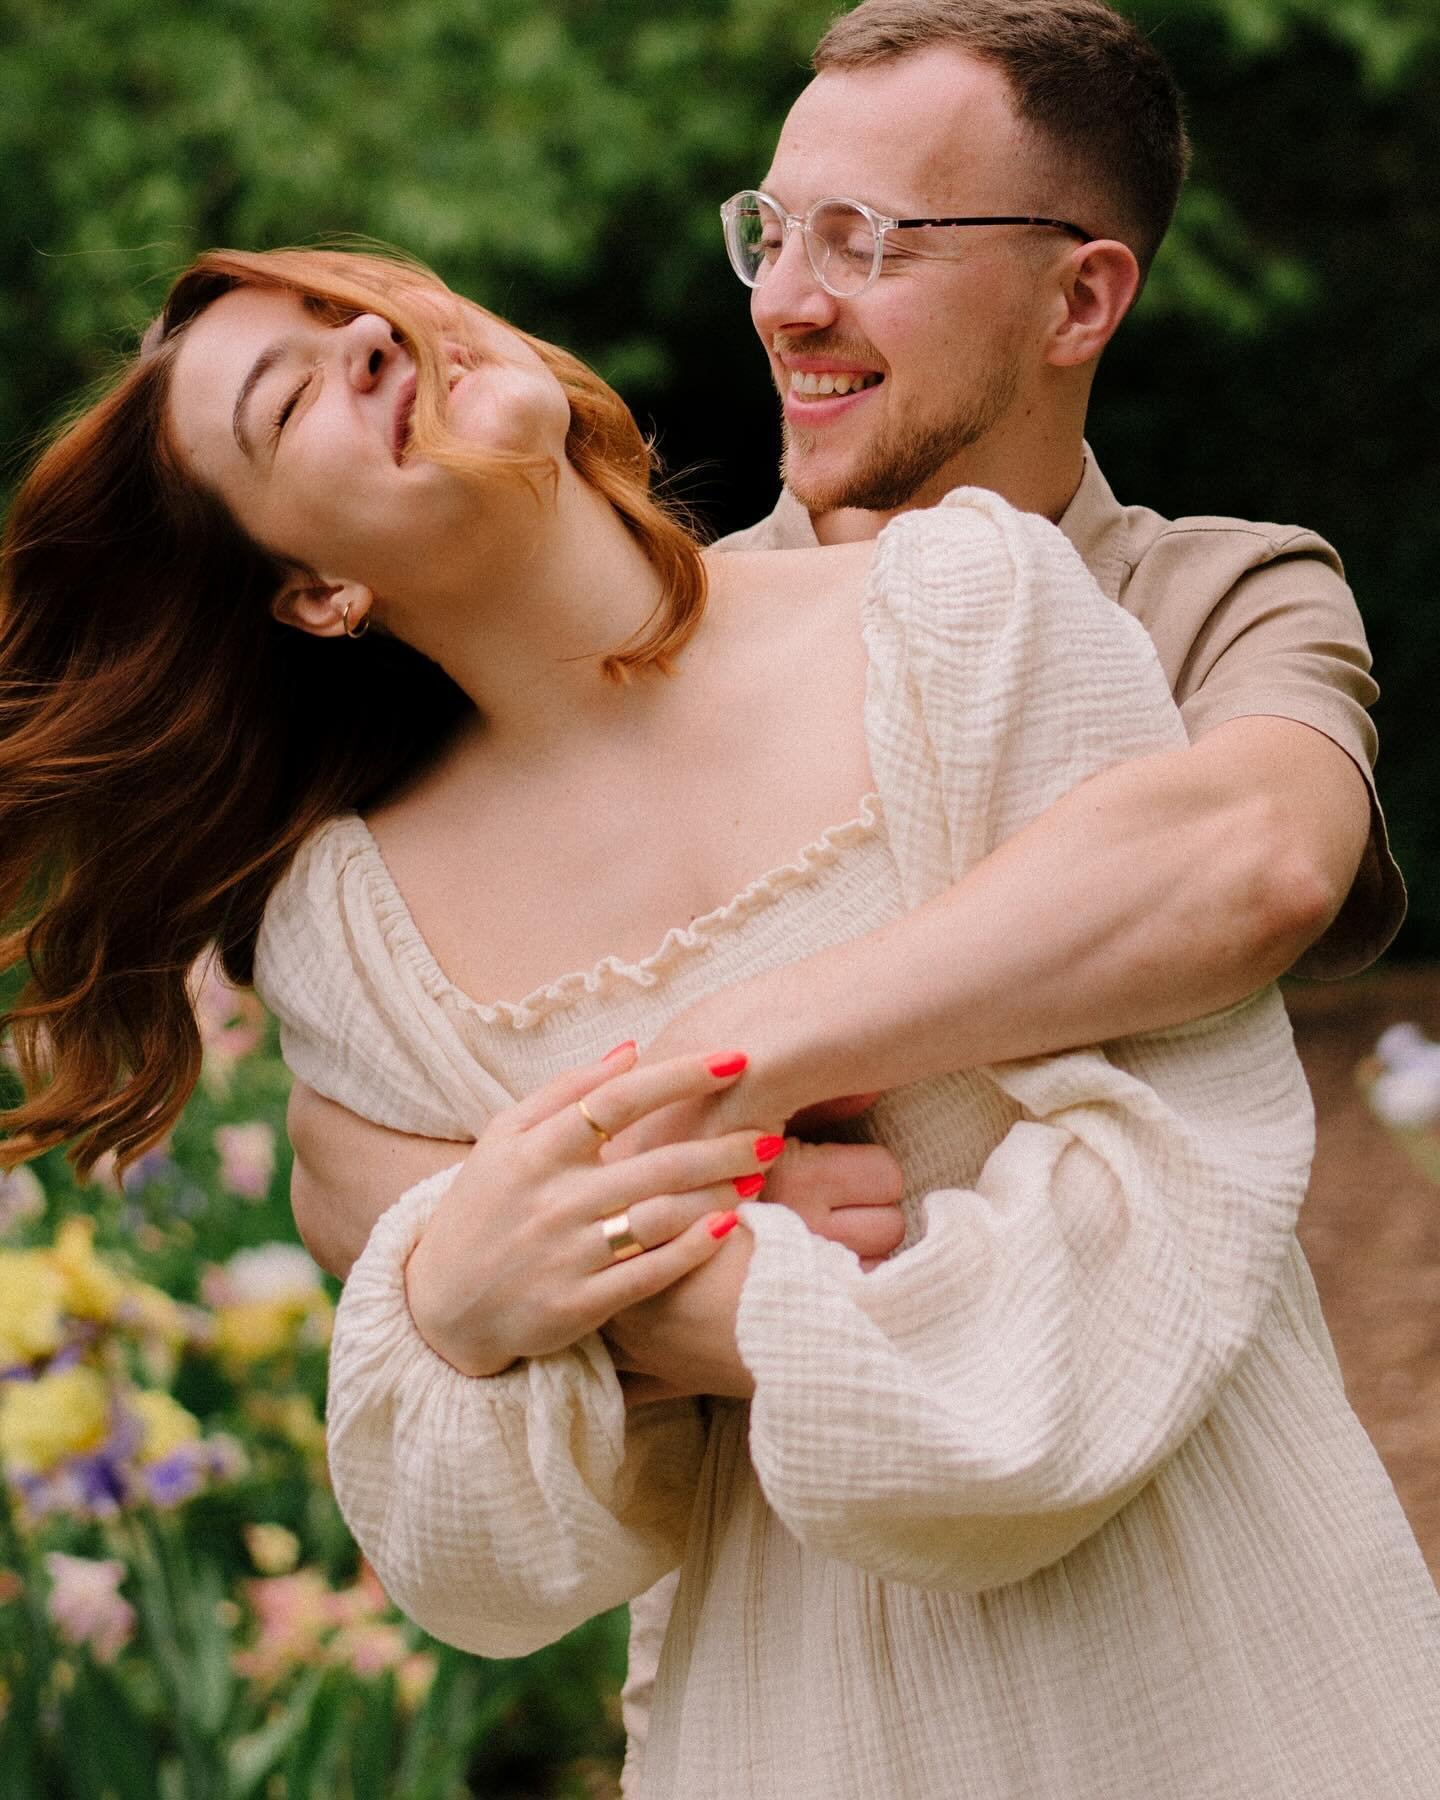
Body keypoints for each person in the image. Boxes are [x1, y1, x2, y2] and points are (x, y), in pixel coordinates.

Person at [283, 1, 1405, 1778]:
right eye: (775, 228)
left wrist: (726, 1061)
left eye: (870, 243)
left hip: (1190, 1621)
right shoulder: (648, 662)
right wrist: (518, 1273)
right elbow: (373, 1193)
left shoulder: (1223, 594)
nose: (785, 300)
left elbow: (1249, 859)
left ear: (1080, 300)